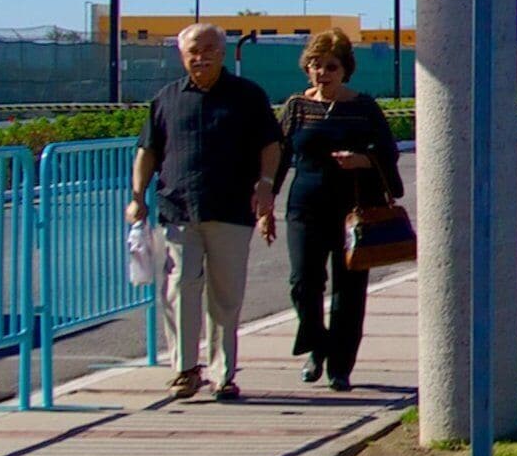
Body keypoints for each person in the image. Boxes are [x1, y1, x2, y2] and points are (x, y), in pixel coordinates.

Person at [130, 22, 283, 398]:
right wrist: (137, 196)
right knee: (179, 289)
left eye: (208, 50)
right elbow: (147, 151)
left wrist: (265, 184)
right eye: (192, 52)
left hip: (231, 210)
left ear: (223, 52)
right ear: (182, 57)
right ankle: (184, 369)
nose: (200, 58)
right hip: (178, 210)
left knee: (225, 295)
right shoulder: (166, 99)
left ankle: (222, 373)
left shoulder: (247, 96)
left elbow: (271, 145)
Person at [273, 32, 401, 392]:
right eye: (315, 65)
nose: (322, 73)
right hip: (305, 207)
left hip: (353, 212)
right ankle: (317, 344)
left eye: (331, 66)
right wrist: (266, 201)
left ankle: (339, 367)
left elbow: (389, 153)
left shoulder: (363, 107)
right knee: (303, 283)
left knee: (349, 290)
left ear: (345, 69)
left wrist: (363, 159)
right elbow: (279, 157)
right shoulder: (297, 107)